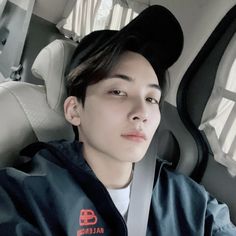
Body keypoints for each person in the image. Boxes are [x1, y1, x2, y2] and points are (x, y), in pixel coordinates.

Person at [0, 5, 236, 236]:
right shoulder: (25, 197)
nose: (142, 111)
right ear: (74, 110)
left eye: (152, 98)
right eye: (118, 92)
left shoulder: (190, 201)